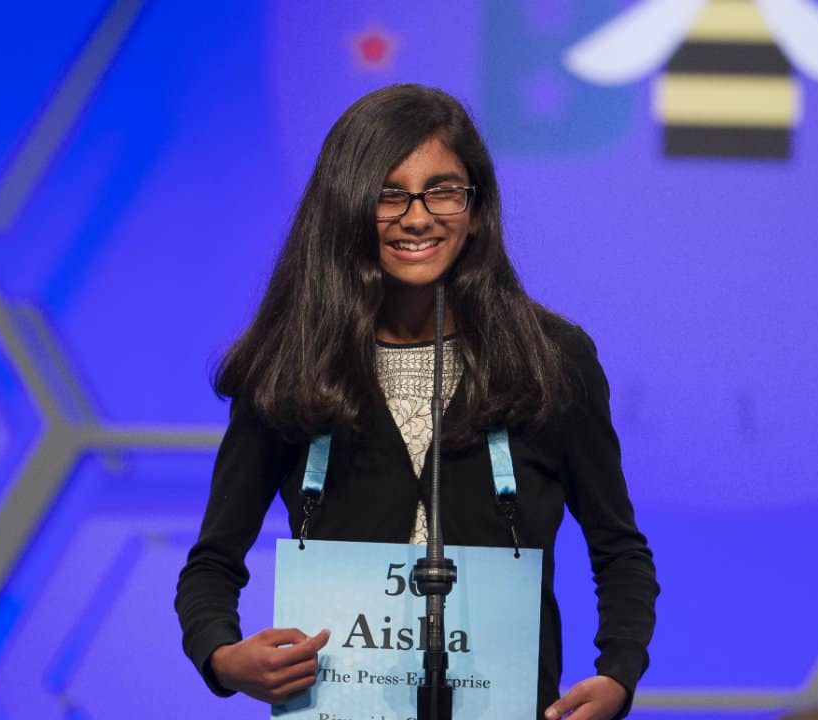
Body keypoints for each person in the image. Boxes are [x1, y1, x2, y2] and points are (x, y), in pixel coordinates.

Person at [174, 83, 659, 720]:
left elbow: (619, 550)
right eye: (389, 193)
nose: (418, 215)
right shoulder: (292, 364)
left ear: (477, 209)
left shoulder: (550, 358)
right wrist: (223, 656)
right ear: (346, 207)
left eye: (443, 190)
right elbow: (211, 564)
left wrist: (618, 673)